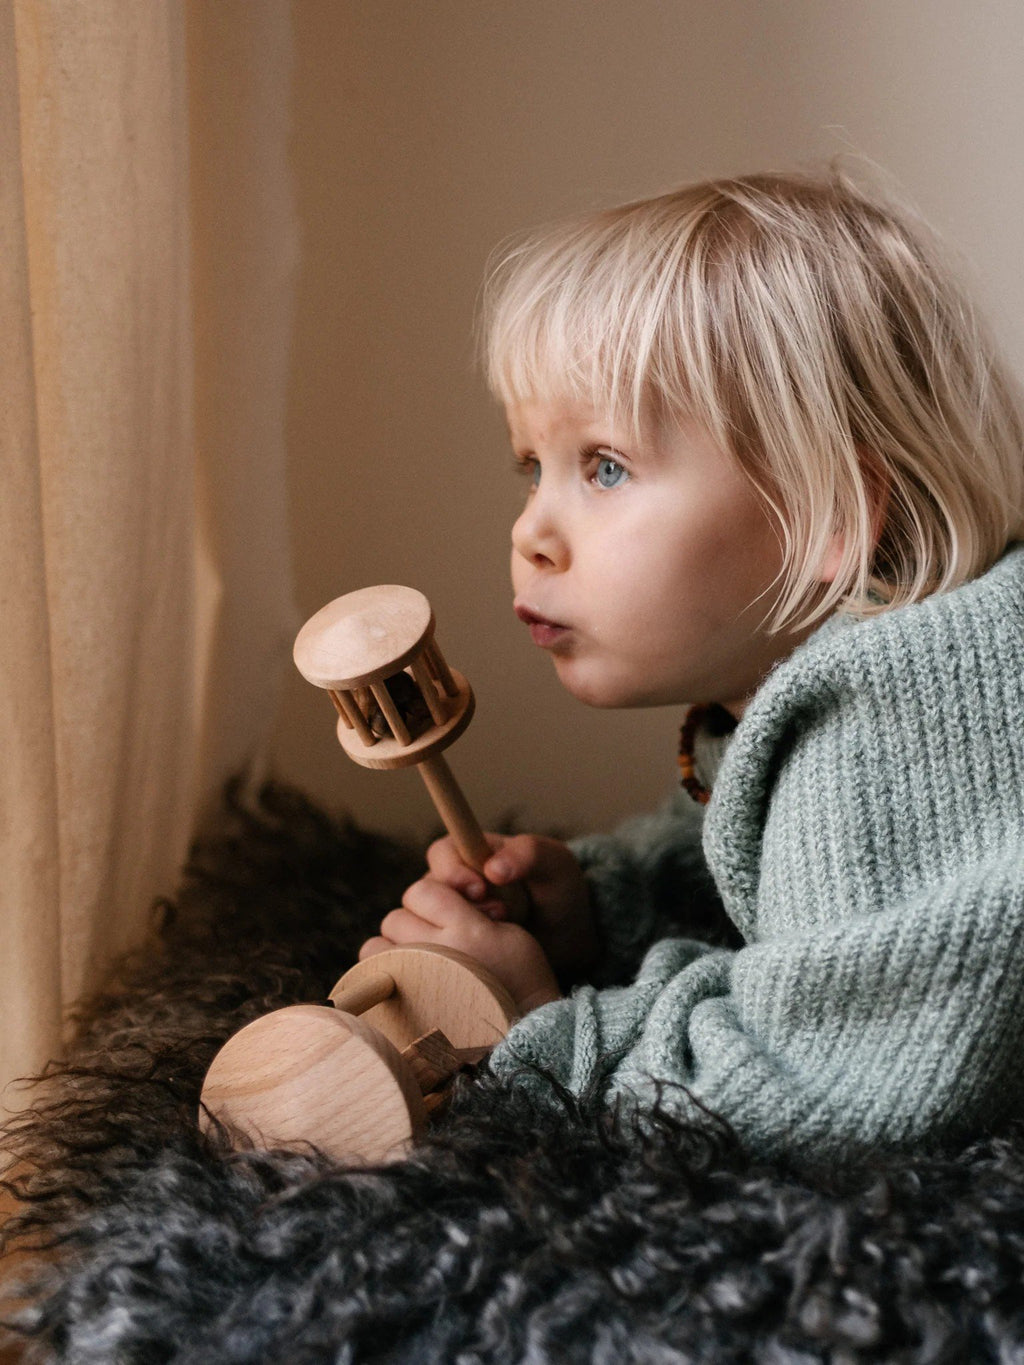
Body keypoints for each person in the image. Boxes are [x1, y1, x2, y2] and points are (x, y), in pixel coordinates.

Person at [359, 167, 1024, 1166]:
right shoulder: (861, 680)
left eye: (607, 467)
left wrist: (545, 1026)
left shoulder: (887, 734)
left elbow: (829, 1075)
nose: (530, 530)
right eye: (531, 467)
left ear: (826, 517)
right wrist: (604, 903)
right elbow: (789, 876)